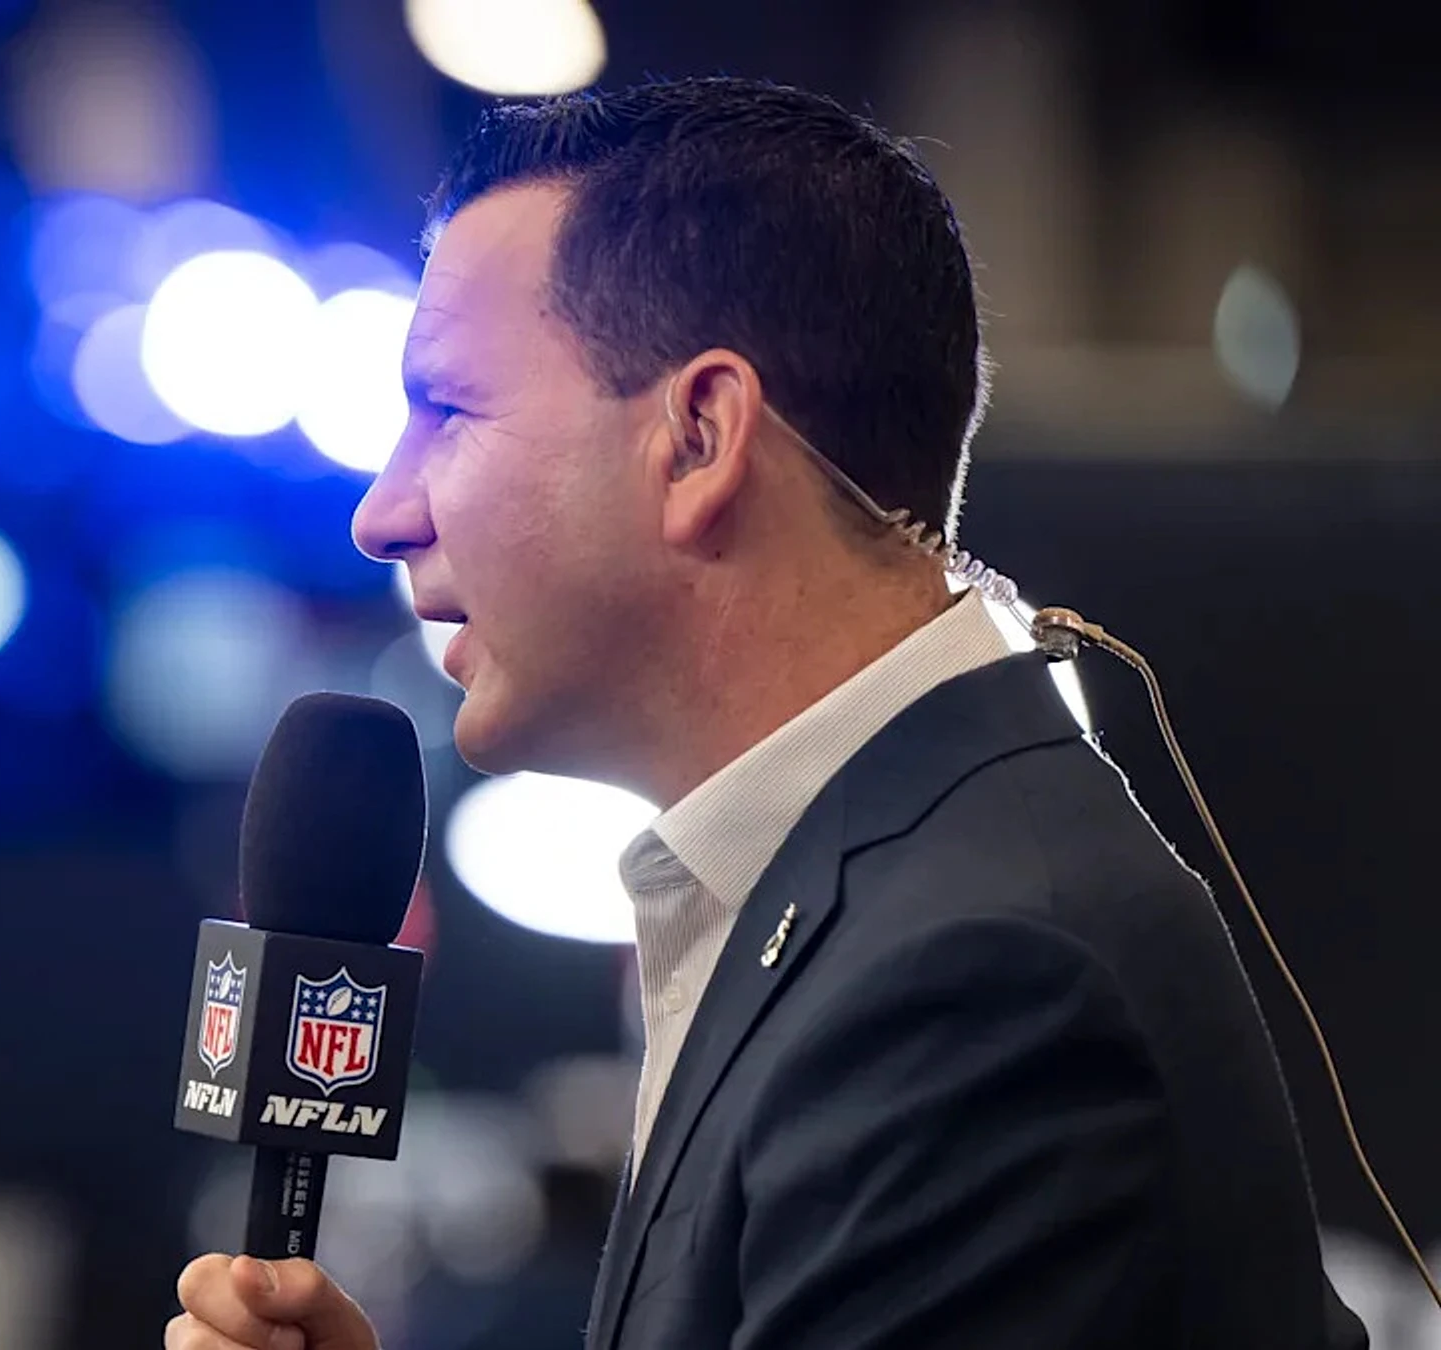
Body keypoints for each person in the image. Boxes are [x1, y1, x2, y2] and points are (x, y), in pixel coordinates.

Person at [168, 76, 1369, 1349]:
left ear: (700, 437)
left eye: (448, 411)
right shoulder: (867, 889)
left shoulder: (972, 973)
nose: (381, 514)